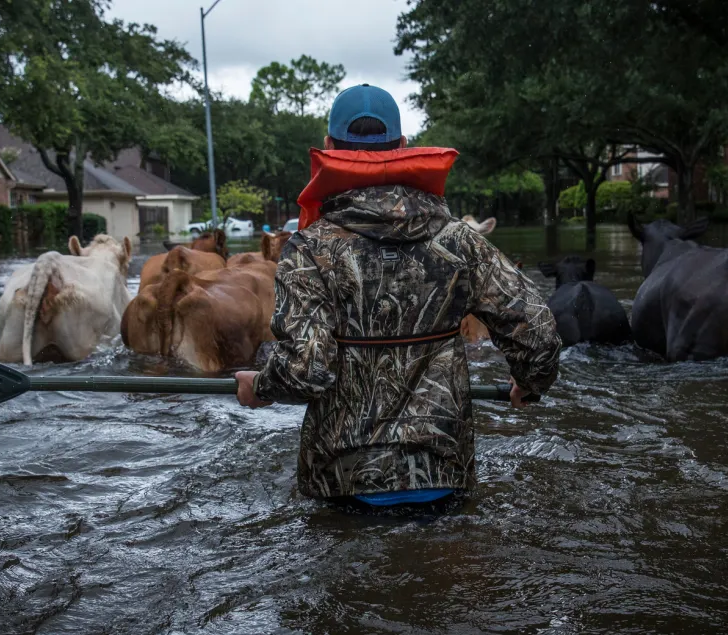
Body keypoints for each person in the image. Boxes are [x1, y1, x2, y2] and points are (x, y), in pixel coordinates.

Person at [235, 84, 561, 509]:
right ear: (403, 147)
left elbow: (306, 368)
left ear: (330, 147)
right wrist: (529, 383)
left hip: (343, 483)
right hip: (444, 476)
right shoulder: (461, 242)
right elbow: (538, 334)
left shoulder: (308, 249)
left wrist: (260, 386)